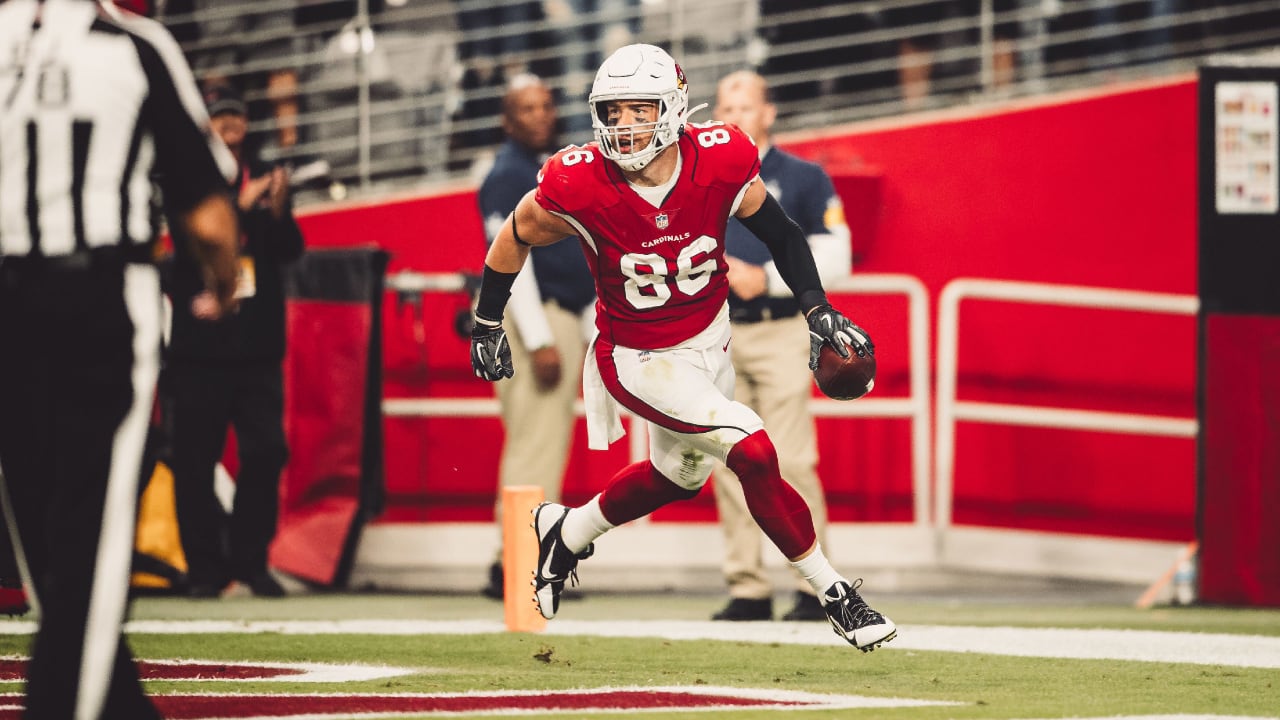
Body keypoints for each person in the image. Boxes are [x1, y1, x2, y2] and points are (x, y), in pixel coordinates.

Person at [468, 43, 896, 652]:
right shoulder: (580, 179)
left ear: (671, 108)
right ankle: (833, 593)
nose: (623, 125)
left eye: (639, 110)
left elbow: (780, 232)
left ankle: (565, 532)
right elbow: (514, 236)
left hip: (710, 341)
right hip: (639, 357)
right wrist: (488, 321)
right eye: (612, 112)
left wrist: (817, 308)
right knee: (752, 450)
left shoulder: (719, 159)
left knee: (678, 476)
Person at [0, 1, 241, 717]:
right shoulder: (132, 44)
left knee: (44, 530)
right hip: (99, 298)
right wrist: (223, 284)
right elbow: (207, 210)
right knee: (90, 537)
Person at [706, 70, 852, 623]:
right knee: (727, 460)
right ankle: (747, 587)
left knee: (793, 459)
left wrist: (764, 278)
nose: (733, 116)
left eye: (744, 106)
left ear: (769, 113)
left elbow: (837, 254)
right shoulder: (701, 174)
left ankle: (816, 587)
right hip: (714, 333)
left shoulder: (805, 177)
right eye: (724, 105)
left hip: (779, 326)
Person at [164, 83, 305, 599]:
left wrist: (278, 210)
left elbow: (290, 251)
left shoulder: (262, 175)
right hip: (200, 347)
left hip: (257, 346)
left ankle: (250, 560)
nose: (232, 128)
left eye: (237, 119)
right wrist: (238, 209)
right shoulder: (183, 177)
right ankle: (204, 569)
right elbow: (186, 245)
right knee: (195, 458)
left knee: (267, 452)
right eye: (221, 119)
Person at [477, 75, 596, 600]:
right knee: (534, 447)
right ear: (507, 119)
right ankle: (518, 563)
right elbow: (509, 263)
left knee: (538, 446)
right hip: (536, 319)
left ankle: (519, 558)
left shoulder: (535, 170)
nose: (540, 115)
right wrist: (540, 336)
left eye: (546, 105)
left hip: (556, 316)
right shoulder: (506, 176)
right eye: (526, 108)